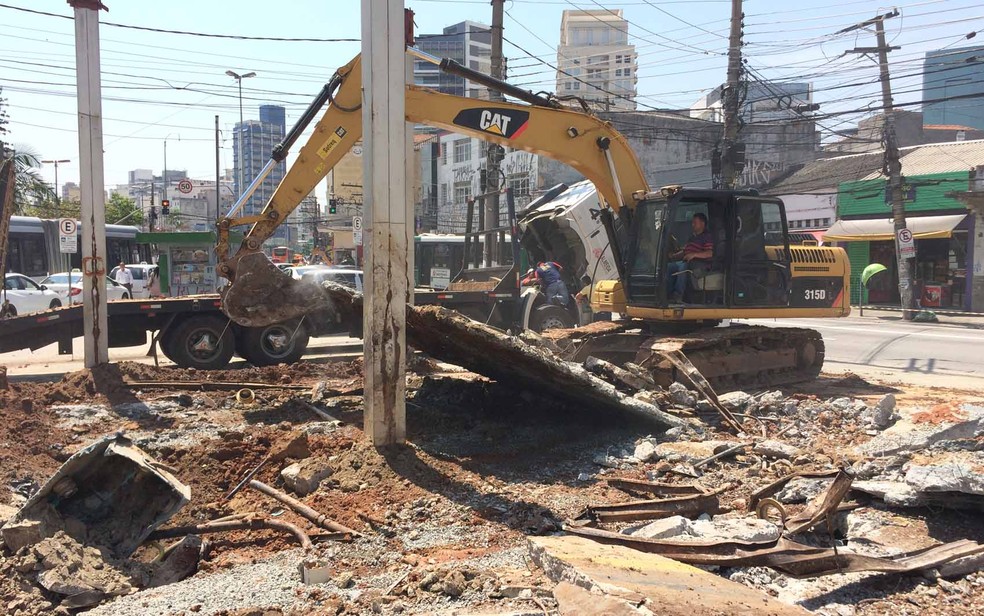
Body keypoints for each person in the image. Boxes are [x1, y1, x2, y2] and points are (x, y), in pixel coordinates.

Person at [666, 213, 714, 303]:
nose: (692, 225)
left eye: (695, 222)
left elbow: (710, 253)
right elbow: (685, 252)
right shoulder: (693, 237)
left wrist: (694, 255)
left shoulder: (707, 237)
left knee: (683, 268)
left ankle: (679, 295)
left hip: (700, 265)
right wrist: (672, 256)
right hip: (686, 261)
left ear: (702, 223)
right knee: (669, 267)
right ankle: (668, 294)